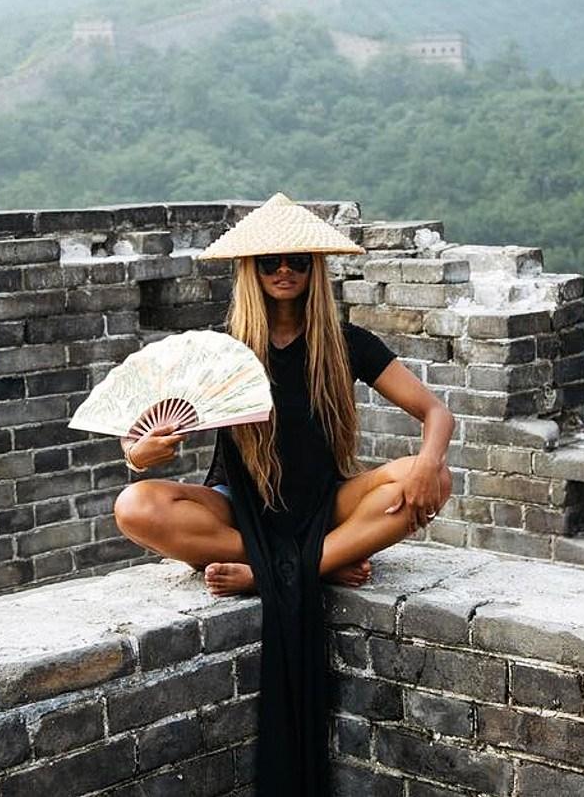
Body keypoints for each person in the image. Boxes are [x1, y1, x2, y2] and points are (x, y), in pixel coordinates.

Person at [112, 192, 454, 795]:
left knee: (429, 482)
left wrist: (429, 462)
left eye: (296, 258)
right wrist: (142, 453)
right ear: (252, 271)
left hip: (326, 502)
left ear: (314, 267)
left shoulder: (346, 342)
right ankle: (308, 566)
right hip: (238, 505)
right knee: (134, 505)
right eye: (270, 261)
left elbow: (434, 412)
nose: (284, 270)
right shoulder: (223, 350)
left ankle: (272, 573)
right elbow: (135, 443)